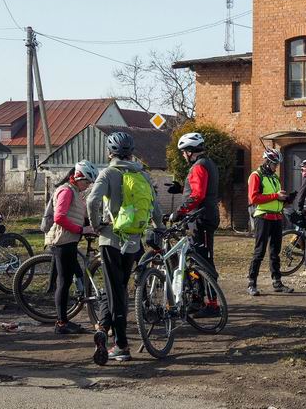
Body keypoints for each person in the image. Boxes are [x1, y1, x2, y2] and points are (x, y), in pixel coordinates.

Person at [86, 131, 164, 364]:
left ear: (109, 153)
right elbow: (155, 207)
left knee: (115, 292)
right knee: (119, 288)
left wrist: (96, 225)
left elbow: (92, 200)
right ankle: (105, 327)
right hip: (133, 240)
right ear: (131, 153)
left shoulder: (108, 173)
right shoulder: (142, 174)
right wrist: (159, 228)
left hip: (111, 239)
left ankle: (120, 345)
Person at [44, 160, 99, 335]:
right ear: (78, 177)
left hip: (69, 241)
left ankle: (64, 320)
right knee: (64, 282)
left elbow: (77, 215)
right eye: (87, 182)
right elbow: (59, 218)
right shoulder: (66, 191)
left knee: (68, 279)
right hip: (62, 241)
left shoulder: (75, 192)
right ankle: (61, 323)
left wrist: (91, 227)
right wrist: (81, 230)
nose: (88, 185)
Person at [172, 132, 221, 318]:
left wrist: (180, 211)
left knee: (205, 261)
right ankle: (198, 299)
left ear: (190, 151)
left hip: (201, 219)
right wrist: (181, 189)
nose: (183, 155)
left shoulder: (199, 166)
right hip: (202, 218)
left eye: (184, 152)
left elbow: (198, 195)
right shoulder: (208, 163)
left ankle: (212, 305)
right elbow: (201, 190)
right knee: (197, 259)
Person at [246, 149, 293, 296]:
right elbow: (254, 198)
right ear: (267, 162)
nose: (276, 167)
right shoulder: (256, 176)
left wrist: (286, 199)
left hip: (277, 218)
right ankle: (252, 283)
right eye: (274, 164)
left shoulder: (274, 177)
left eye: (277, 164)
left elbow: (276, 198)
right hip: (263, 217)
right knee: (259, 251)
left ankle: (277, 282)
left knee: (275, 252)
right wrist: (275, 196)